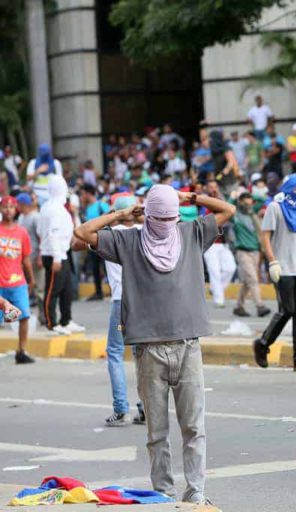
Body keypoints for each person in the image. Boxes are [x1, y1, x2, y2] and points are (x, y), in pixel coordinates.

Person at [75, 185, 235, 505]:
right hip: (149, 349)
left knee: (193, 427)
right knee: (157, 432)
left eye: (169, 217)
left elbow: (228, 209)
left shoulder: (191, 233)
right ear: (147, 215)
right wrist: (122, 214)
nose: (164, 224)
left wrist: (189, 197)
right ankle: (164, 492)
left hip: (187, 345)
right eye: (158, 217)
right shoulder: (129, 240)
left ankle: (196, 491)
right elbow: (82, 232)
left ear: (177, 216)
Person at [253, 174, 296, 371]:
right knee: (287, 310)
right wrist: (272, 260)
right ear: (291, 188)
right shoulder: (275, 207)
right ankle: (263, 343)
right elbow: (265, 237)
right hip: (282, 267)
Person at [101, 194, 144, 427]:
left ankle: (121, 410)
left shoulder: (110, 235)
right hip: (143, 303)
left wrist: (111, 216)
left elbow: (79, 238)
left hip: (121, 303)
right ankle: (146, 407)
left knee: (116, 352)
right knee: (142, 354)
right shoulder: (146, 233)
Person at [37, 175, 84, 335]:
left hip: (62, 253)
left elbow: (40, 231)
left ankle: (66, 321)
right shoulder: (55, 209)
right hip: (55, 255)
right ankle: (51, 323)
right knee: (53, 290)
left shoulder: (48, 206)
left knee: (66, 290)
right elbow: (53, 234)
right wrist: (56, 257)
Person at [0, 196, 36, 364]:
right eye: (5, 206)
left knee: (23, 315)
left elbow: (26, 259)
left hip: (17, 282)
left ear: (16, 210)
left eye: (11, 207)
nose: (8, 210)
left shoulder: (22, 232)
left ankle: (21, 351)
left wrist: (31, 279)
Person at [231, 192, 271, 318]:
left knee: (247, 281)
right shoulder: (236, 215)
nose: (248, 205)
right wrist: (234, 198)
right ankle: (260, 306)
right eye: (245, 202)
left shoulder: (253, 212)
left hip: (255, 251)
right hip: (242, 251)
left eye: (250, 202)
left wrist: (252, 196)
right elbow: (227, 206)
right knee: (253, 278)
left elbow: (264, 199)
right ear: (240, 202)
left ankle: (239, 306)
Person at [201, 181, 236, 308]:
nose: (213, 189)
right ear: (206, 189)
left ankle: (215, 289)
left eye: (215, 187)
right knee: (214, 271)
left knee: (230, 268)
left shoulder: (222, 201)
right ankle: (219, 300)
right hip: (209, 244)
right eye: (211, 187)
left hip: (223, 243)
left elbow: (231, 214)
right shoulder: (203, 202)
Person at [81, 185, 110, 301]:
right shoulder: (88, 208)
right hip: (92, 242)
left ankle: (114, 290)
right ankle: (98, 292)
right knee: (95, 267)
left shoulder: (101, 205)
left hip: (104, 241)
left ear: (88, 194)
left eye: (83, 194)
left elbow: (110, 219)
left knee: (107, 267)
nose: (82, 196)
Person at [16, 193, 42, 307]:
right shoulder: (21, 218)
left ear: (24, 204)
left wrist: (40, 257)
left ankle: (43, 314)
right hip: (24, 258)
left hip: (35, 256)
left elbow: (41, 237)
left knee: (39, 287)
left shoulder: (35, 217)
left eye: (18, 204)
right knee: (27, 286)